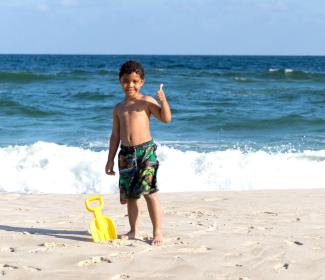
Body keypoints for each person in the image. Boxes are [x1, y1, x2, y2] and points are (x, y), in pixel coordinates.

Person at [105, 60, 172, 246]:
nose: (130, 85)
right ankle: (133, 230)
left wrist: (162, 99)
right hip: (125, 154)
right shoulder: (118, 108)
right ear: (120, 81)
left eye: (135, 81)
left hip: (145, 152)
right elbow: (115, 135)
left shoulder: (146, 102)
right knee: (132, 196)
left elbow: (166, 118)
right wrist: (110, 160)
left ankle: (157, 231)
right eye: (126, 81)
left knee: (149, 192)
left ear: (141, 82)